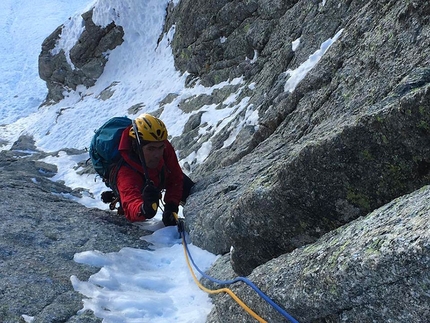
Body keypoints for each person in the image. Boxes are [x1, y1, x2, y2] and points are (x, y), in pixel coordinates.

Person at [115, 113, 194, 225]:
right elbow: (130, 203)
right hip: (140, 183)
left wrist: (172, 205)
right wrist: (144, 209)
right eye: (151, 149)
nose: (157, 154)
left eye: (160, 148)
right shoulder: (126, 172)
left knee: (189, 188)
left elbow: (176, 177)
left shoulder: (163, 145)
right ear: (137, 148)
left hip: (159, 177)